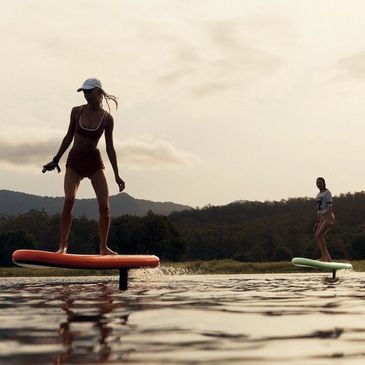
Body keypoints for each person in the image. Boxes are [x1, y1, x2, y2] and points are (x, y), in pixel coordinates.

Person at [42, 78, 125, 255]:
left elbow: (110, 148)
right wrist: (56, 159)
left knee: (104, 206)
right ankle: (62, 246)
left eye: (89, 91)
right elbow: (68, 136)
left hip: (93, 161)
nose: (86, 95)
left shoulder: (107, 119)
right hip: (75, 160)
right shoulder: (76, 111)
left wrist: (117, 175)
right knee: (69, 199)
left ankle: (103, 247)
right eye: (84, 92)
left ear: (99, 93)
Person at [313, 177, 334, 262]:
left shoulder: (327, 193)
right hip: (322, 218)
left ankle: (324, 257)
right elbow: (319, 211)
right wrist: (318, 222)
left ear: (324, 183)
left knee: (319, 235)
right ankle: (328, 259)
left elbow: (329, 206)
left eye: (320, 182)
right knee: (317, 237)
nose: (318, 184)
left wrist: (329, 218)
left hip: (328, 217)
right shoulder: (318, 195)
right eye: (317, 183)